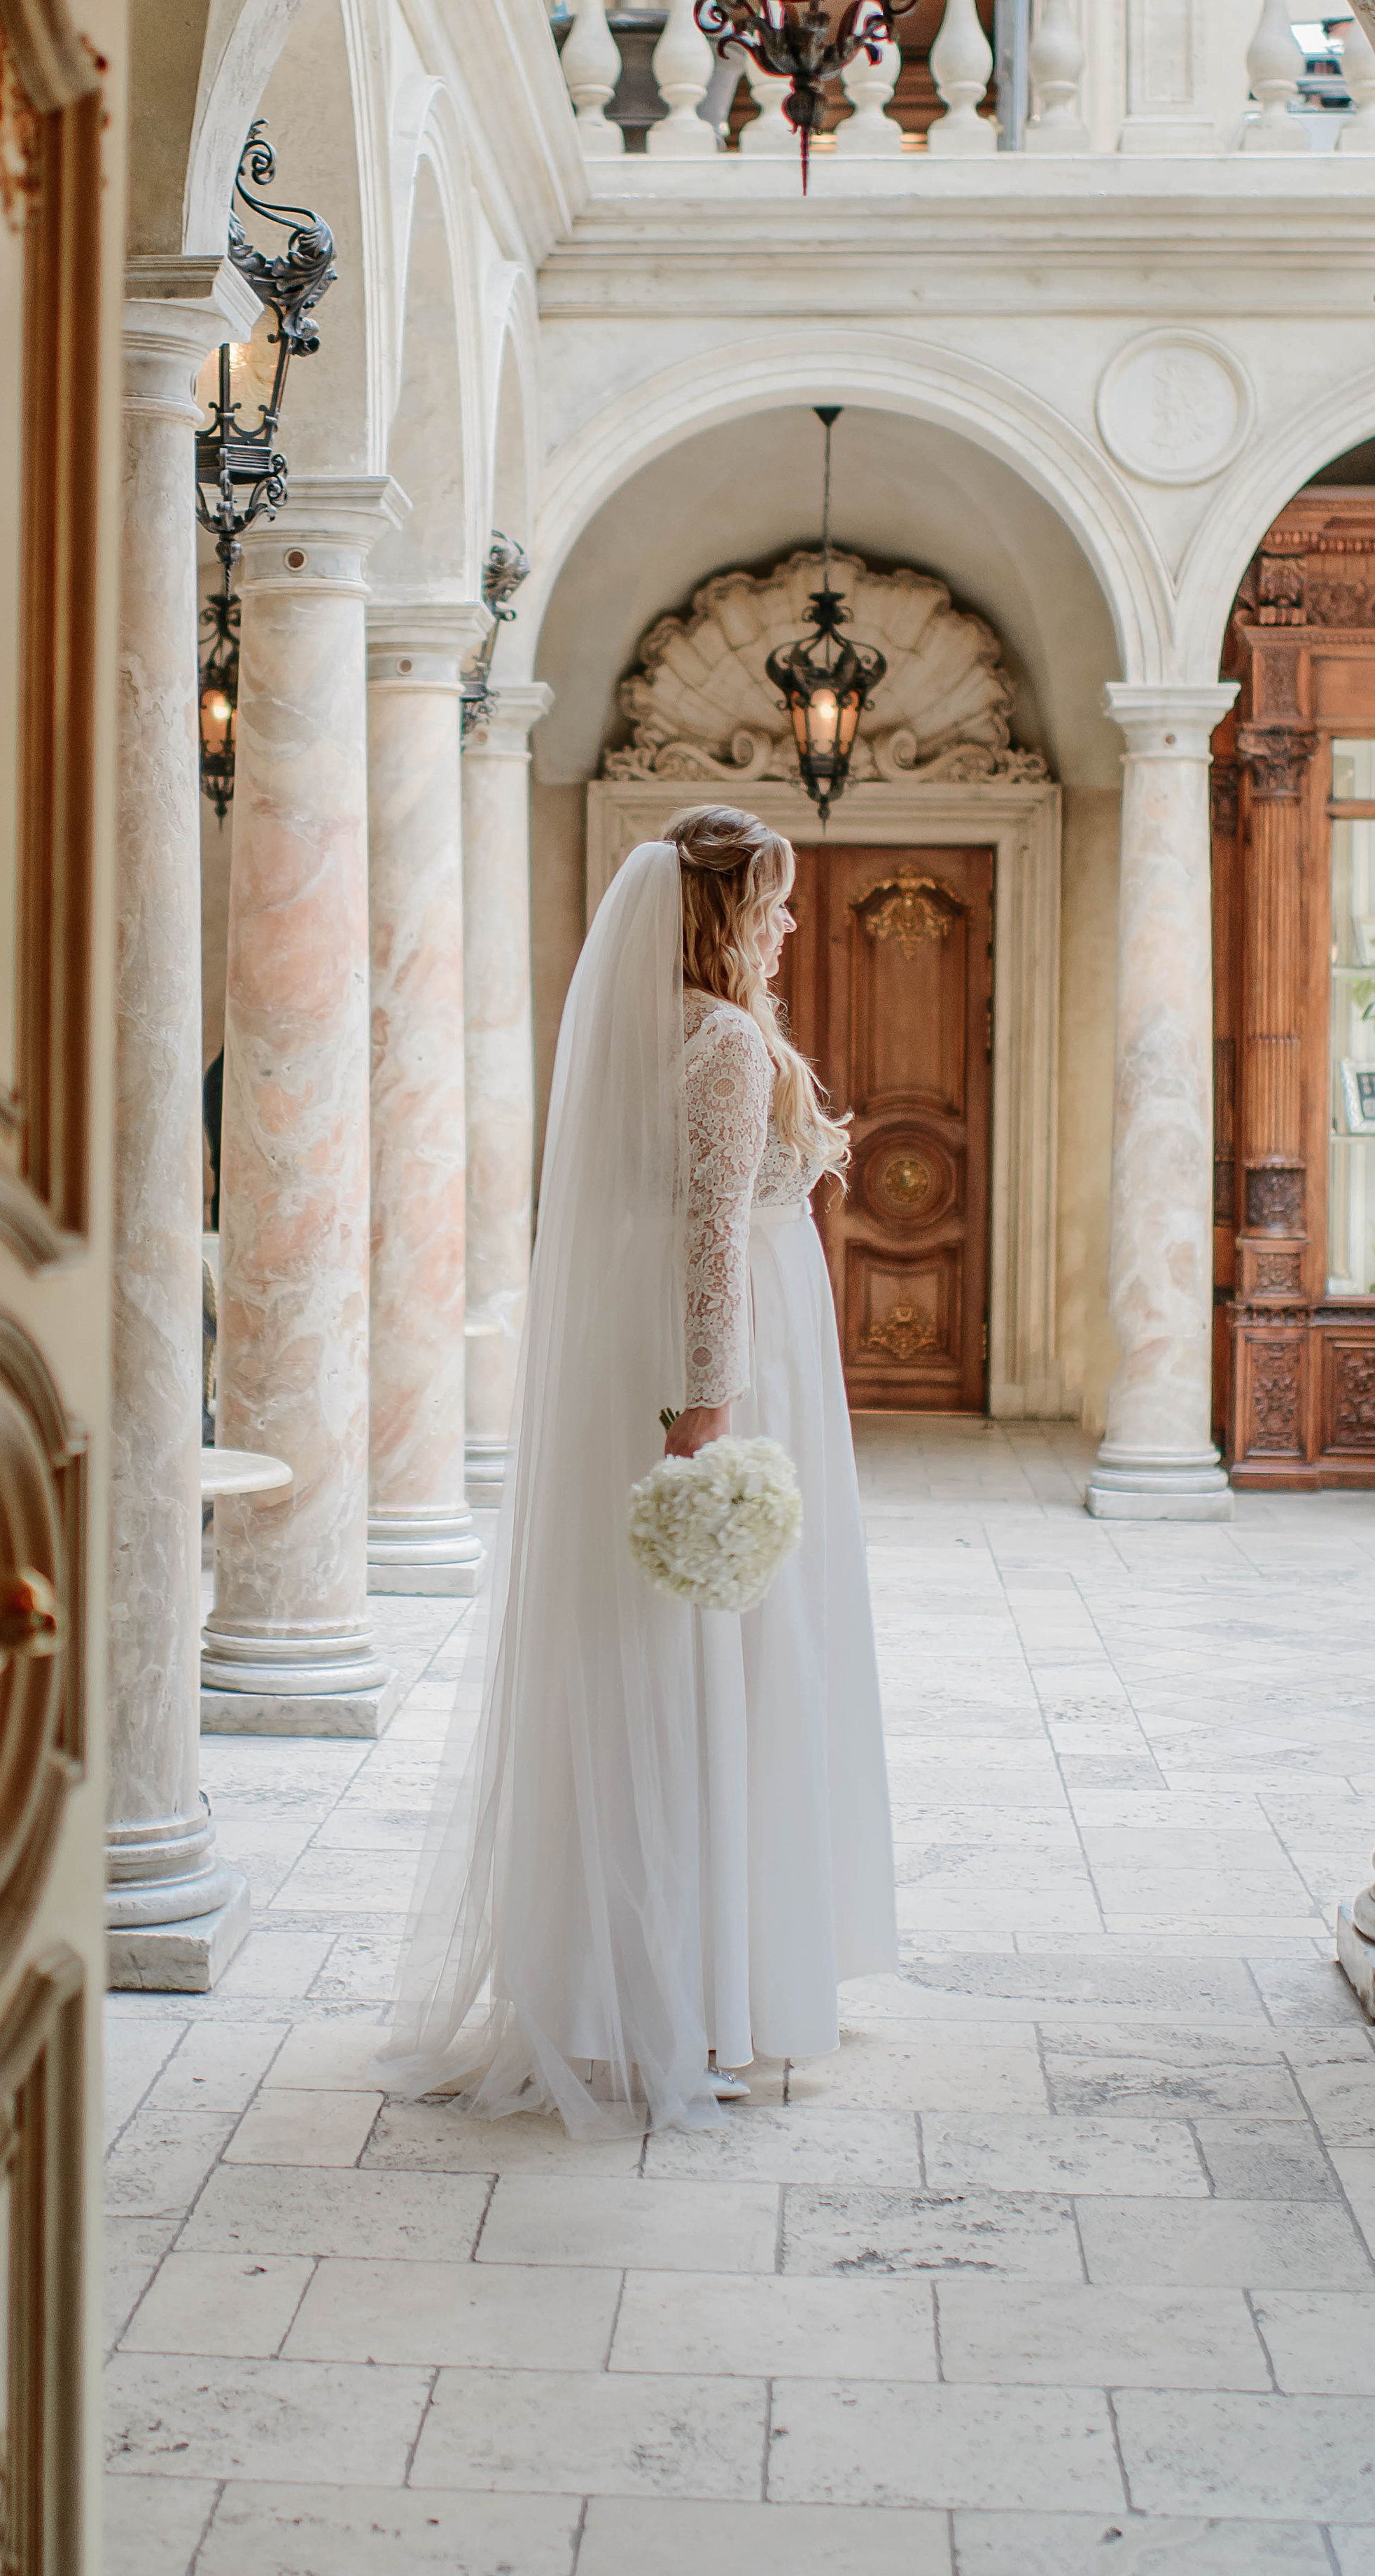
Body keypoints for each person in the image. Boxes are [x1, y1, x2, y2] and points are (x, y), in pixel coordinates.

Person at [382, 805, 897, 2133]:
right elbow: (714, 1239)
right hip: (726, 1367)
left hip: (663, 1351)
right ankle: (705, 1998)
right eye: (772, 904)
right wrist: (708, 1412)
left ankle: (644, 1978)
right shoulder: (722, 1039)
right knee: (720, 1666)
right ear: (724, 911)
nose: (786, 926)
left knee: (651, 1665)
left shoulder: (642, 1028)